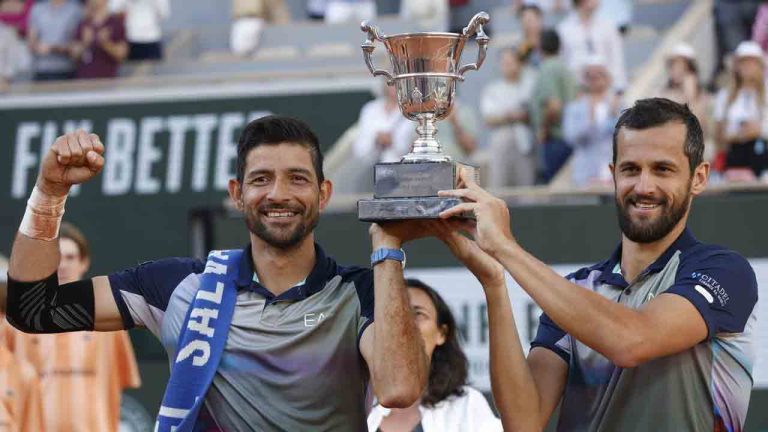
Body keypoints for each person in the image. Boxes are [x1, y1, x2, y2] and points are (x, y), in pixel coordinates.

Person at [4, 115, 429, 431]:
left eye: (297, 179)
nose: (278, 194)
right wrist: (50, 192)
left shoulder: (359, 292)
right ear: (237, 194)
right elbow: (35, 310)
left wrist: (387, 248)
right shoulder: (176, 287)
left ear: (323, 193)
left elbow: (400, 388)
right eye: (261, 179)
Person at [438, 98, 757, 431]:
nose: (644, 186)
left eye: (663, 169)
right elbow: (523, 422)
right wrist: (494, 282)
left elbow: (632, 340)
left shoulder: (725, 271)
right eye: (631, 169)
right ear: (612, 175)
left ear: (699, 177)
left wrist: (505, 248)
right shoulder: (577, 290)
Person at [4, 222, 141, 432]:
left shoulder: (110, 322)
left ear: (84, 262)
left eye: (70, 257)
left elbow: (120, 382)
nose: (63, 265)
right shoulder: (18, 323)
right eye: (56, 258)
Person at [367, 278, 502, 432]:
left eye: (418, 314)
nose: (404, 322)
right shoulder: (355, 407)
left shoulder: (466, 406)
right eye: (393, 313)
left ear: (442, 333)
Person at [480, 47, 537, 188]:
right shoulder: (493, 89)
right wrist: (511, 116)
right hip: (501, 140)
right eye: (504, 62)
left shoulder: (529, 86)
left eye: (511, 62)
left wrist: (520, 115)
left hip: (525, 141)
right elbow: (489, 119)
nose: (508, 66)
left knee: (526, 187)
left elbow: (533, 113)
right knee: (499, 185)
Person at [562, 56, 622, 187]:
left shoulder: (619, 105)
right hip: (586, 174)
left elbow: (627, 137)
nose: (595, 79)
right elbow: (571, 138)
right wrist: (590, 120)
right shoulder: (574, 107)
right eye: (590, 75)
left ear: (608, 78)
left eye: (599, 74)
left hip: (615, 174)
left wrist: (614, 115)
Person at [713, 40, 768, 181]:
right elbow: (719, 137)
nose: (747, 67)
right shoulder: (724, 96)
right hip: (735, 158)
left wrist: (759, 130)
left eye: (752, 62)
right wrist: (739, 135)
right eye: (743, 62)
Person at [530, 29, 578, 183]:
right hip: (569, 137)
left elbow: (553, 106)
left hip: (555, 139)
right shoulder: (565, 68)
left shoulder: (547, 69)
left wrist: (544, 130)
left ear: (539, 47)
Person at [557, 0, 627, 91]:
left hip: (606, 91)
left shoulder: (608, 27)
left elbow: (617, 61)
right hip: (576, 90)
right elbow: (562, 63)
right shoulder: (563, 29)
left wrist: (619, 90)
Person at [70, 0, 128, 79]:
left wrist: (105, 43)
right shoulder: (84, 23)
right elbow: (74, 55)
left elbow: (121, 55)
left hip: (107, 80)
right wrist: (85, 43)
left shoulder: (115, 23)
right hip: (84, 79)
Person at [27, 0, 82, 81]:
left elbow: (78, 45)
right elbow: (31, 43)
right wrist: (36, 47)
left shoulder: (76, 9)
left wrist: (55, 49)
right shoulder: (37, 9)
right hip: (41, 69)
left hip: (66, 69)